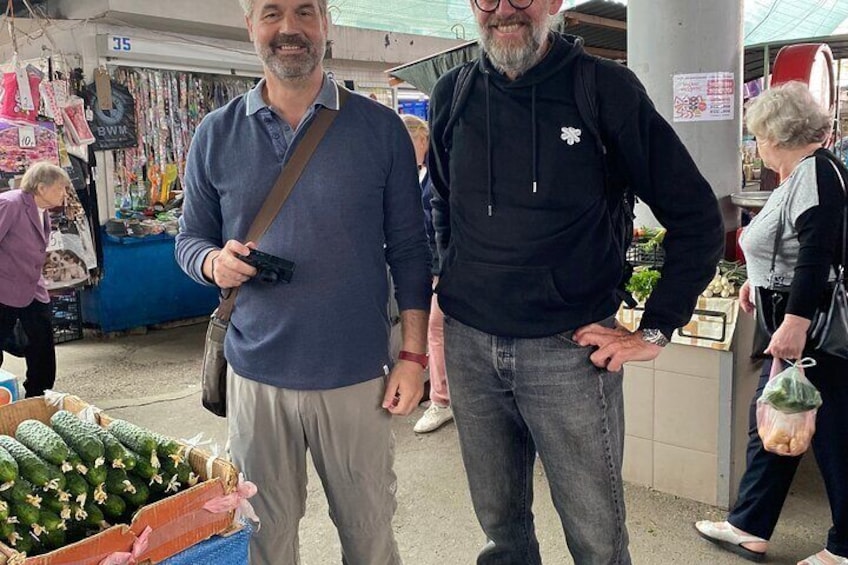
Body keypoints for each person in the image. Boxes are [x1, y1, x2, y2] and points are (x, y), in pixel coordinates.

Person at [427, 0, 724, 562]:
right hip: (469, 346)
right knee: (500, 530)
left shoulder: (604, 89)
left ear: (555, 3)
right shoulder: (453, 93)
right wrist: (452, 278)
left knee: (596, 537)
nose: (505, 10)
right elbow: (443, 201)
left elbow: (697, 216)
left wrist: (656, 330)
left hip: (569, 353)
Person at [174, 1, 432, 563]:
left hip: (355, 376)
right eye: (271, 13)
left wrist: (414, 355)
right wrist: (213, 262)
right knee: (263, 537)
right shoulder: (214, 135)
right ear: (250, 26)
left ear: (325, 24)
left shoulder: (379, 128)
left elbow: (412, 249)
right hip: (255, 375)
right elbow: (188, 240)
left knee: (368, 532)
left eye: (304, 12)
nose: (289, 28)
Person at [695, 82, 848, 565]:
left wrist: (796, 322)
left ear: (777, 135)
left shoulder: (814, 174)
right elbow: (790, 246)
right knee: (775, 423)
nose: (756, 145)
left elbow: (817, 255)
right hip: (791, 322)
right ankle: (749, 526)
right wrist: (755, 284)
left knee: (832, 436)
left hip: (810, 331)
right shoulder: (806, 173)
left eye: (758, 135)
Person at [401, 114, 454, 434]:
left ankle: (442, 399)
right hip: (434, 265)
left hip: (442, 266)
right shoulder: (426, 171)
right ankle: (440, 393)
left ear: (421, 137)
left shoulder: (435, 171)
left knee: (435, 330)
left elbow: (437, 220)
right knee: (436, 331)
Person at [0, 162, 68, 398]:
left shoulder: (42, 210)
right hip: (4, 289)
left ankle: (39, 396)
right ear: (41, 188)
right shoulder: (10, 204)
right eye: (60, 188)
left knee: (42, 346)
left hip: (32, 288)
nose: (64, 193)